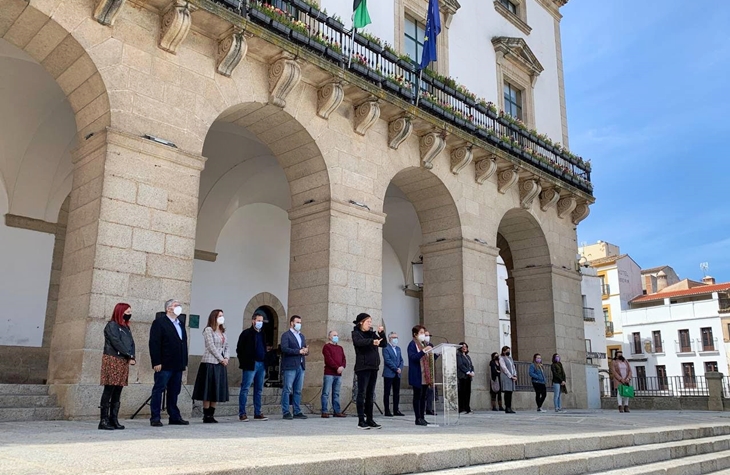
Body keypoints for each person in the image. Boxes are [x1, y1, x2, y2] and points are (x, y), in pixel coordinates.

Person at [149, 299, 189, 427]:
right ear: (168, 308)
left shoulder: (180, 324)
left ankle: (174, 416)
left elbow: (183, 343)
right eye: (175, 305)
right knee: (159, 389)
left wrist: (184, 361)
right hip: (164, 363)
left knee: (174, 390)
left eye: (179, 305)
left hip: (178, 363)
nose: (178, 307)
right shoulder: (159, 323)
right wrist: (156, 361)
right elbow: (154, 343)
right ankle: (155, 417)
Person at [98, 303, 136, 430]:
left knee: (118, 390)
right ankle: (103, 419)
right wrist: (128, 354)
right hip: (113, 358)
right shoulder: (112, 325)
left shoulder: (126, 327)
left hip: (123, 360)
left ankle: (114, 418)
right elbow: (116, 341)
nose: (129, 314)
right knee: (109, 389)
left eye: (130, 312)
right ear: (121, 312)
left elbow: (131, 343)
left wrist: (132, 356)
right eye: (127, 312)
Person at [192, 309, 229, 423]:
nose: (221, 318)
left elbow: (226, 346)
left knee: (215, 389)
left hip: (220, 364)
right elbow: (211, 346)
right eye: (219, 316)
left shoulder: (222, 332)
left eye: (222, 315)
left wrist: (226, 357)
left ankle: (212, 414)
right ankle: (206, 415)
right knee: (208, 390)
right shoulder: (209, 330)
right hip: (210, 362)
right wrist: (221, 358)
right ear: (214, 317)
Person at [352, 313, 387, 429]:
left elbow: (384, 344)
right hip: (363, 367)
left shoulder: (372, 334)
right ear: (361, 322)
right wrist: (371, 342)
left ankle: (370, 419)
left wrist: (381, 334)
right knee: (361, 393)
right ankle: (361, 420)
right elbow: (359, 343)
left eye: (370, 322)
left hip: (373, 366)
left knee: (370, 394)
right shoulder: (356, 333)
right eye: (368, 322)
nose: (369, 324)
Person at [236, 312, 269, 422]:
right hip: (250, 364)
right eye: (258, 320)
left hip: (261, 364)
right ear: (253, 321)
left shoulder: (263, 334)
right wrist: (245, 361)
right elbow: (239, 349)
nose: (260, 323)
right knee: (245, 388)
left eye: (261, 321)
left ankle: (258, 412)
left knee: (259, 390)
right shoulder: (246, 333)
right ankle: (242, 413)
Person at [280, 315, 308, 420]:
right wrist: (298, 351)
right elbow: (284, 348)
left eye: (300, 322)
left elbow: (303, 348)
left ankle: (297, 411)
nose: (299, 324)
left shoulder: (302, 336)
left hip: (300, 365)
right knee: (287, 389)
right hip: (290, 365)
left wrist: (305, 351)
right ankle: (286, 411)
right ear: (292, 323)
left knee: (298, 390)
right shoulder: (286, 335)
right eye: (297, 322)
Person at [408, 325, 434, 426]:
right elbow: (413, 357)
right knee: (417, 396)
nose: (423, 335)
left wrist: (436, 353)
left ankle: (422, 417)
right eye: (421, 333)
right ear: (415, 334)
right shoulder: (412, 344)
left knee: (423, 397)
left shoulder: (424, 344)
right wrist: (423, 351)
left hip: (425, 375)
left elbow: (428, 359)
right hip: (417, 374)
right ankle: (417, 418)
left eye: (424, 333)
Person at [321, 330, 347, 418]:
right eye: (334, 335)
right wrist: (337, 368)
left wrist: (342, 367)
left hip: (338, 374)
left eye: (337, 335)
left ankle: (337, 411)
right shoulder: (326, 347)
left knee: (336, 393)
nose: (336, 337)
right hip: (329, 373)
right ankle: (324, 411)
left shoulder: (340, 348)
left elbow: (344, 359)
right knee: (326, 393)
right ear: (329, 337)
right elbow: (328, 359)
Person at [382, 332, 404, 417]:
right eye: (394, 337)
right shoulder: (386, 348)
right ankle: (387, 410)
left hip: (397, 374)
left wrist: (400, 368)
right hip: (389, 373)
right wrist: (395, 368)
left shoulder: (398, 349)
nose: (396, 339)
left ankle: (396, 410)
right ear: (389, 339)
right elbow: (387, 360)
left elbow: (401, 360)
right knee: (387, 392)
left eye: (396, 337)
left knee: (396, 393)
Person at [456, 342, 475, 414]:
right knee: (462, 392)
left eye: (466, 346)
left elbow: (471, 365)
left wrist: (472, 371)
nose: (464, 348)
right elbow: (460, 365)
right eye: (463, 346)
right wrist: (467, 372)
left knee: (468, 392)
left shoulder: (468, 356)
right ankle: (462, 408)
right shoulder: (458, 355)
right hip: (462, 376)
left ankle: (467, 408)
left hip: (468, 377)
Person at [499, 346, 517, 414]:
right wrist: (510, 376)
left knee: (510, 392)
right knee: (507, 392)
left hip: (512, 376)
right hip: (506, 377)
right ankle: (507, 407)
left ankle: (510, 406)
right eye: (507, 350)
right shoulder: (501, 358)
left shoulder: (510, 358)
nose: (508, 352)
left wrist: (515, 375)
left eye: (509, 350)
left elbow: (513, 367)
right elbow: (504, 368)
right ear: (503, 351)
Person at [424, 330, 438, 416]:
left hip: (431, 370)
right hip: (424, 371)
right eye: (426, 335)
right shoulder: (421, 345)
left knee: (430, 391)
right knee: (425, 391)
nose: (427, 337)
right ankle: (424, 408)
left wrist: (437, 354)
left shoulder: (431, 345)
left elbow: (433, 358)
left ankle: (429, 408)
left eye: (429, 335)